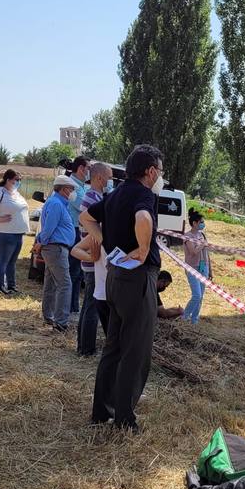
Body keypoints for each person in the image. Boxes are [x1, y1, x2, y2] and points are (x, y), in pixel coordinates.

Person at [81, 143, 165, 432]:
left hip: (115, 277)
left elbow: (86, 217)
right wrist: (143, 247)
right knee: (135, 349)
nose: (160, 177)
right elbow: (143, 218)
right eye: (160, 172)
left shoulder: (114, 194)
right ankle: (125, 419)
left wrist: (102, 239)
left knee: (114, 347)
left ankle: (101, 411)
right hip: (138, 278)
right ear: (151, 171)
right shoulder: (143, 195)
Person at [75, 162, 112, 356]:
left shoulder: (95, 196)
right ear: (99, 177)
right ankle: (87, 349)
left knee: (89, 304)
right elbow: (92, 228)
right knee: (92, 306)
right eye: (109, 176)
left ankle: (83, 345)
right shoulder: (92, 198)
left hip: (92, 257)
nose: (111, 181)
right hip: (93, 258)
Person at [34, 174, 78, 332]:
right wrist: (41, 242)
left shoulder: (56, 203)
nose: (73, 193)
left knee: (52, 283)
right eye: (72, 189)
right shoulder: (56, 204)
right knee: (65, 284)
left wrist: (41, 242)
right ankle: (60, 322)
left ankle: (49, 316)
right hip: (56, 248)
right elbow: (49, 228)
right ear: (65, 189)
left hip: (54, 248)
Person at [0, 169, 29, 295]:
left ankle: (11, 285)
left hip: (17, 232)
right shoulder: (0, 192)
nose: (18, 182)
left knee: (12, 261)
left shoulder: (16, 193)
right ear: (8, 180)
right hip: (5, 233)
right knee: (3, 260)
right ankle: (0, 286)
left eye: (20, 180)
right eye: (16, 179)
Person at [64, 155, 90, 314]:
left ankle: (73, 306)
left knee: (78, 272)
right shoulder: (71, 186)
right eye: (88, 169)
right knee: (73, 271)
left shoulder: (80, 186)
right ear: (81, 169)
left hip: (77, 230)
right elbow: (83, 206)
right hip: (72, 231)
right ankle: (71, 308)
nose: (89, 172)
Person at [182, 208, 210, 324]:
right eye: (201, 222)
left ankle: (194, 320)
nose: (203, 224)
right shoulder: (187, 236)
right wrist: (202, 245)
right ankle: (185, 317)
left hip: (204, 268)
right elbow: (193, 251)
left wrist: (210, 270)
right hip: (192, 268)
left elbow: (206, 253)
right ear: (194, 223)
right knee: (196, 295)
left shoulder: (202, 235)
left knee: (201, 296)